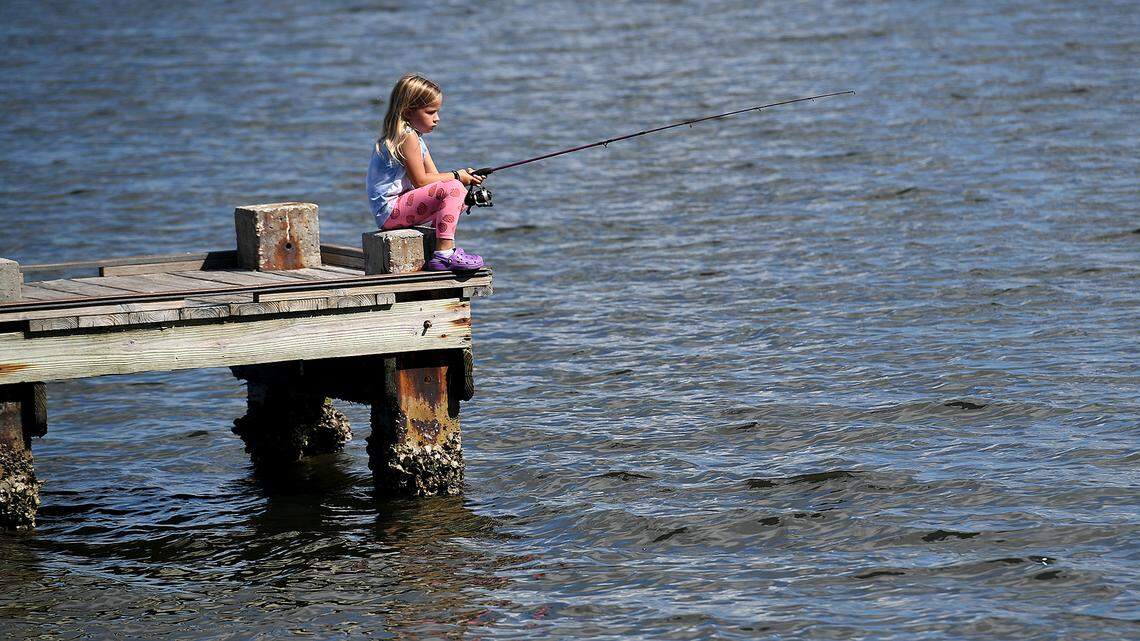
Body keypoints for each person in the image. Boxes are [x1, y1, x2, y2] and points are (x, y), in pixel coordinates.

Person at [366, 74, 485, 271]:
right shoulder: (407, 137)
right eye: (430, 112)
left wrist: (466, 178)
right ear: (408, 112)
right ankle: (444, 253)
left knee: (458, 192)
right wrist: (457, 176)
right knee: (454, 187)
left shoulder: (416, 139)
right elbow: (421, 181)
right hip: (389, 210)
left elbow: (435, 182)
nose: (437, 119)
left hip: (397, 209)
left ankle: (437, 248)